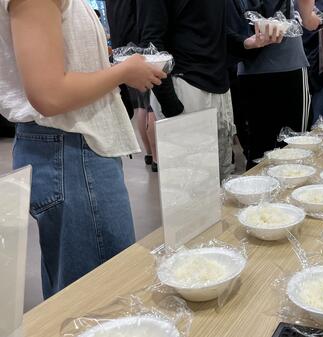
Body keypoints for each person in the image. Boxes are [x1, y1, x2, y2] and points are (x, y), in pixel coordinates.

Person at [1, 0, 165, 298]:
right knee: (100, 299)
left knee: (85, 294)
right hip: (72, 147)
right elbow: (49, 93)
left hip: (75, 146)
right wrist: (123, 73)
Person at [138, 0, 236, 179]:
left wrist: (246, 43)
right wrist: (170, 103)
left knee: (222, 177)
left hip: (219, 86)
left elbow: (215, 30)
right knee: (189, 185)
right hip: (184, 86)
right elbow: (151, 42)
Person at [233, 0, 311, 169]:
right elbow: (309, 20)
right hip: (288, 64)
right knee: (294, 145)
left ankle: (256, 193)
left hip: (249, 67)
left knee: (257, 148)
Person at [106, 0, 159, 171]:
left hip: (121, 55)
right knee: (151, 108)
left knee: (142, 107)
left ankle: (150, 154)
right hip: (141, 55)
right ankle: (158, 158)